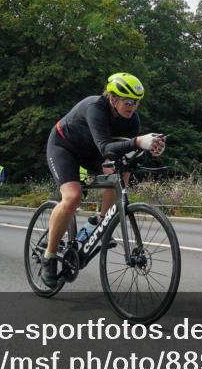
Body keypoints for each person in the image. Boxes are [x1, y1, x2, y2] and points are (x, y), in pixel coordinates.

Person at [42, 73, 165, 287]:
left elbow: (124, 153)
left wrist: (151, 148)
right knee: (72, 197)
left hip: (92, 153)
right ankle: (49, 256)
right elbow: (106, 147)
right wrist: (138, 141)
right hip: (65, 147)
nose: (132, 106)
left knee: (120, 172)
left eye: (136, 102)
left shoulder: (131, 120)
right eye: (128, 101)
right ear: (112, 98)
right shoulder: (95, 108)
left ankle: (100, 221)